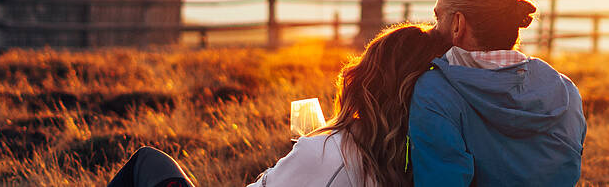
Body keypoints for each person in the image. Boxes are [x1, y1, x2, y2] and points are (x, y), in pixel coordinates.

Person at [105, 24, 452, 187]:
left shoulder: (331, 153)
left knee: (147, 161)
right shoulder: (423, 159)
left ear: (369, 80)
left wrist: (307, 148)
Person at [410, 0, 586, 186]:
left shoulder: (435, 90)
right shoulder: (566, 90)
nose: (433, 28)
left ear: (458, 24)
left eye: (438, 17)